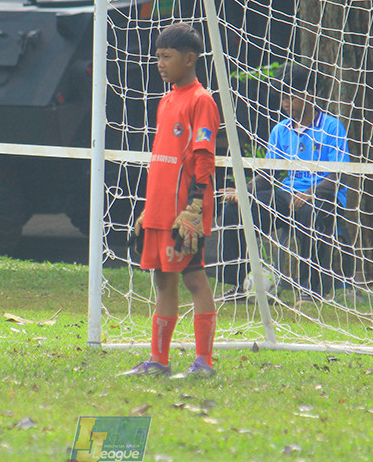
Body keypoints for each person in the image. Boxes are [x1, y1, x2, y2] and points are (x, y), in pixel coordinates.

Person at [120, 22, 220, 379]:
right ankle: (158, 361)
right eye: (157, 57)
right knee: (162, 281)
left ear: (189, 59)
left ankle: (204, 362)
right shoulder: (166, 99)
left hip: (184, 212)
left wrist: (194, 208)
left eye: (167, 56)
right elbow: (165, 159)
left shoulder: (201, 100)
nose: (159, 63)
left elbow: (203, 159)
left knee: (194, 279)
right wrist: (148, 209)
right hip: (160, 210)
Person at [217, 62, 351, 300]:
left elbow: (340, 173)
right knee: (235, 210)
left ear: (309, 95)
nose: (285, 104)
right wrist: (244, 191)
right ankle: (238, 285)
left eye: (291, 98)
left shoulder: (332, 127)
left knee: (311, 212)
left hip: (322, 197)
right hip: (287, 196)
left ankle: (312, 288)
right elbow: (268, 175)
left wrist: (312, 192)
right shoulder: (280, 130)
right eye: (283, 98)